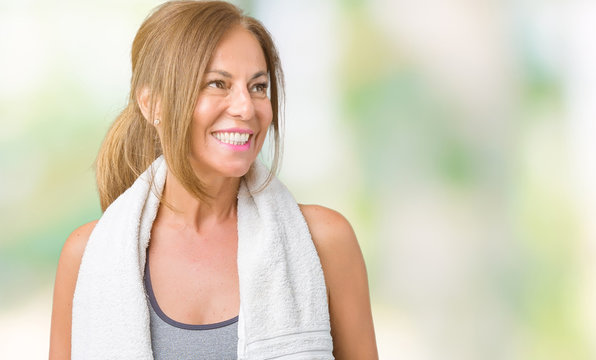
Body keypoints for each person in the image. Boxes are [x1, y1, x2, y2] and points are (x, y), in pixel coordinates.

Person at [49, 1, 378, 359]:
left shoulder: (325, 241)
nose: (246, 108)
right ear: (153, 104)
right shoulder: (87, 256)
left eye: (258, 86)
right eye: (217, 84)